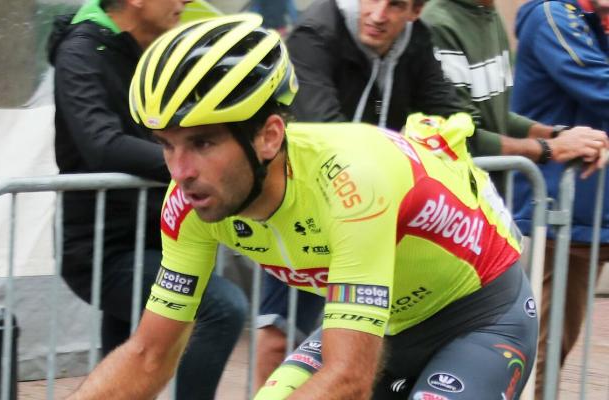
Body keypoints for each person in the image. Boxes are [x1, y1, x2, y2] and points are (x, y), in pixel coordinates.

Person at [69, 14, 543, 399]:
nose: (180, 170)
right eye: (167, 145)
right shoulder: (188, 204)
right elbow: (149, 355)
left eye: (203, 142)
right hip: (385, 320)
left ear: (269, 136)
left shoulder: (351, 181)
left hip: (477, 317)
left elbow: (348, 380)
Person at [253, 0, 467, 387]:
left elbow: (450, 117)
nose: (379, 14)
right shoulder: (317, 31)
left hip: (370, 214)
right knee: (281, 333)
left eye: (396, 5)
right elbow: (326, 131)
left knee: (361, 339)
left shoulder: (415, 39)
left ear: (415, 12)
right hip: (301, 205)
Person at [47, 0, 248, 398]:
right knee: (222, 308)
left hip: (154, 237)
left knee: (128, 369)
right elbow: (102, 144)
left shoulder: (151, 49)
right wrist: (198, 162)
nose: (186, 3)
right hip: (103, 249)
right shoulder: (81, 51)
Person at [509, 0, 609, 397]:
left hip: (590, 206)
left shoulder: (594, 20)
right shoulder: (552, 15)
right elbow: (600, 86)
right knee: (545, 344)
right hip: (564, 204)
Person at [421, 0, 608, 174]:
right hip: (455, 198)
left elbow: (497, 117)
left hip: (490, 196)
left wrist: (558, 134)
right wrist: (549, 148)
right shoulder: (439, 24)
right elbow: (457, 138)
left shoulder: (489, 13)